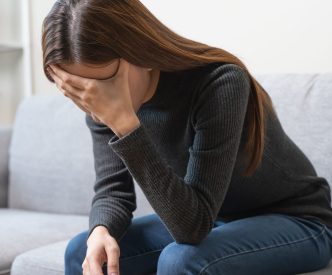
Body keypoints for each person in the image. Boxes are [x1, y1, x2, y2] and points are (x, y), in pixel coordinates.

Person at [41, 1, 332, 274]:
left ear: (139, 52)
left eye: (101, 84)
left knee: (180, 261)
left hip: (298, 220)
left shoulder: (219, 83)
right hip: (216, 218)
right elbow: (113, 191)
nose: (93, 101)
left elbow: (191, 228)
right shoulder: (98, 101)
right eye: (77, 91)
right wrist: (100, 230)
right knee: (83, 250)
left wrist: (126, 126)